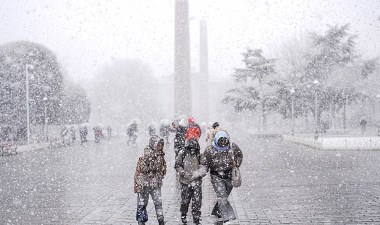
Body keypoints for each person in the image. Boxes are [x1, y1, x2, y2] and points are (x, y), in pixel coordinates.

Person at [195, 130, 243, 223]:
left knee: (224, 197)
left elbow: (239, 155)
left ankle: (216, 212)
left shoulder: (232, 147)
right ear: (217, 139)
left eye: (225, 140)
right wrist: (201, 172)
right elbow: (204, 163)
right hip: (216, 176)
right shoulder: (210, 150)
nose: (223, 143)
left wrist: (236, 164)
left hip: (229, 176)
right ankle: (226, 219)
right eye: (221, 140)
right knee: (222, 197)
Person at [134, 135, 167, 225]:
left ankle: (161, 220)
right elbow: (140, 171)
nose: (160, 147)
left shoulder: (161, 155)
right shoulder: (145, 156)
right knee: (142, 203)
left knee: (158, 202)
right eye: (158, 145)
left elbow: (163, 167)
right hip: (145, 183)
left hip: (156, 183)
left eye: (161, 145)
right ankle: (141, 221)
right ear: (153, 145)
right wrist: (138, 186)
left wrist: (162, 172)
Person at [174, 138, 203, 225]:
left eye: (194, 148)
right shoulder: (182, 153)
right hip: (185, 182)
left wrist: (199, 173)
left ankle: (196, 218)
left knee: (197, 201)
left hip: (196, 181)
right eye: (191, 148)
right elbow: (177, 165)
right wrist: (182, 172)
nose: (192, 150)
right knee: (185, 200)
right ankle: (183, 214)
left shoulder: (199, 154)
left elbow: (204, 166)